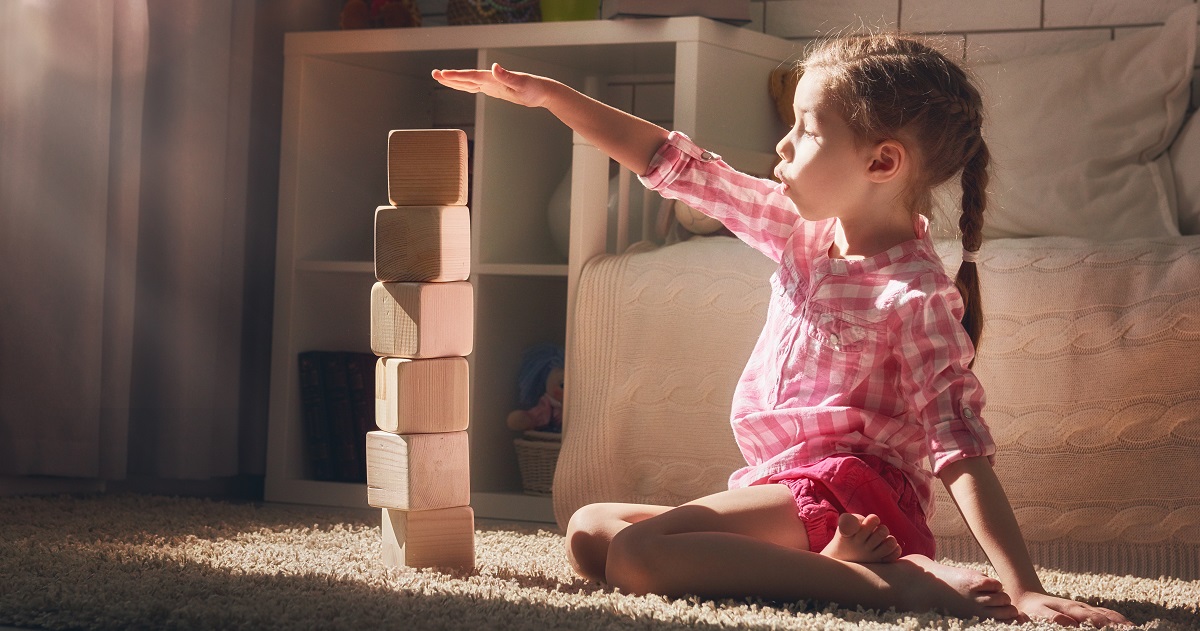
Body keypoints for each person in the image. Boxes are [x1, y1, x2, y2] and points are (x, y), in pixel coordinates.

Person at [433, 34, 1130, 627]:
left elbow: (961, 449)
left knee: (637, 557)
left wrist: (1022, 585)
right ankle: (831, 569)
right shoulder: (800, 232)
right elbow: (676, 165)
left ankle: (895, 583)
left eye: (807, 130)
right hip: (784, 484)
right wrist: (553, 97)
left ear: (881, 164)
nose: (783, 143)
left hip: (854, 494)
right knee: (589, 531)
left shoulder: (913, 293)